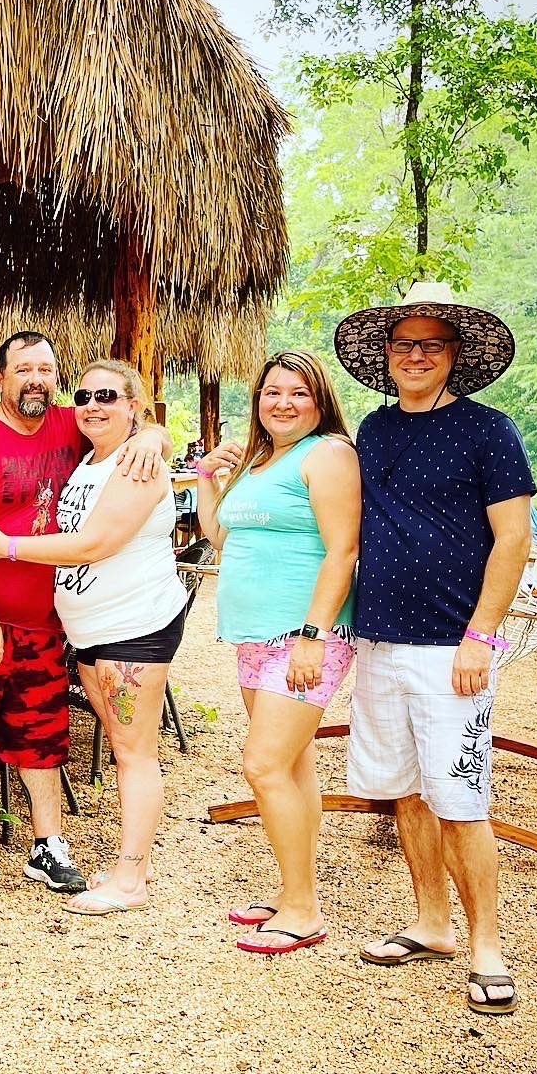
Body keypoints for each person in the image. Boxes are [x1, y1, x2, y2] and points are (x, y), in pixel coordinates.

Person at [333, 283, 533, 1014]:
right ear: (386, 357)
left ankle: (487, 945)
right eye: (403, 345)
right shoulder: (375, 430)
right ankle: (431, 923)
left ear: (454, 356)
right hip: (380, 641)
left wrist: (481, 635)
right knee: (407, 793)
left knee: (462, 798)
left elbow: (512, 540)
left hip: (454, 645)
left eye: (431, 345)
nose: (416, 356)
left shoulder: (491, 431)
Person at [0, 332, 170, 896]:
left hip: (44, 622)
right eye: (23, 369)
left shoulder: (74, 422)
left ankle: (48, 845)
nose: (37, 379)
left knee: (41, 734)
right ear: (0, 378)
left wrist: (154, 436)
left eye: (47, 369)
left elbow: (137, 424)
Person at [0, 359, 188, 915]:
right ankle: (126, 867)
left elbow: (96, 544)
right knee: (124, 747)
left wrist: (9, 548)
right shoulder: (92, 458)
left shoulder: (137, 462)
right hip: (94, 634)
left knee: (133, 753)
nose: (93, 404)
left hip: (132, 631)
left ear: (134, 407)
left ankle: (132, 878)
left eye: (110, 396)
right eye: (85, 394)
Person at [194, 350, 360, 953]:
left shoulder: (330, 455)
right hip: (253, 635)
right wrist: (209, 481)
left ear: (319, 401)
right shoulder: (264, 461)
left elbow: (343, 551)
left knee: (261, 766)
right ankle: (295, 887)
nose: (283, 403)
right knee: (292, 767)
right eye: (272, 392)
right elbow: (219, 536)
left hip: (304, 635)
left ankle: (303, 908)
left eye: (298, 393)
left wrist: (314, 635)